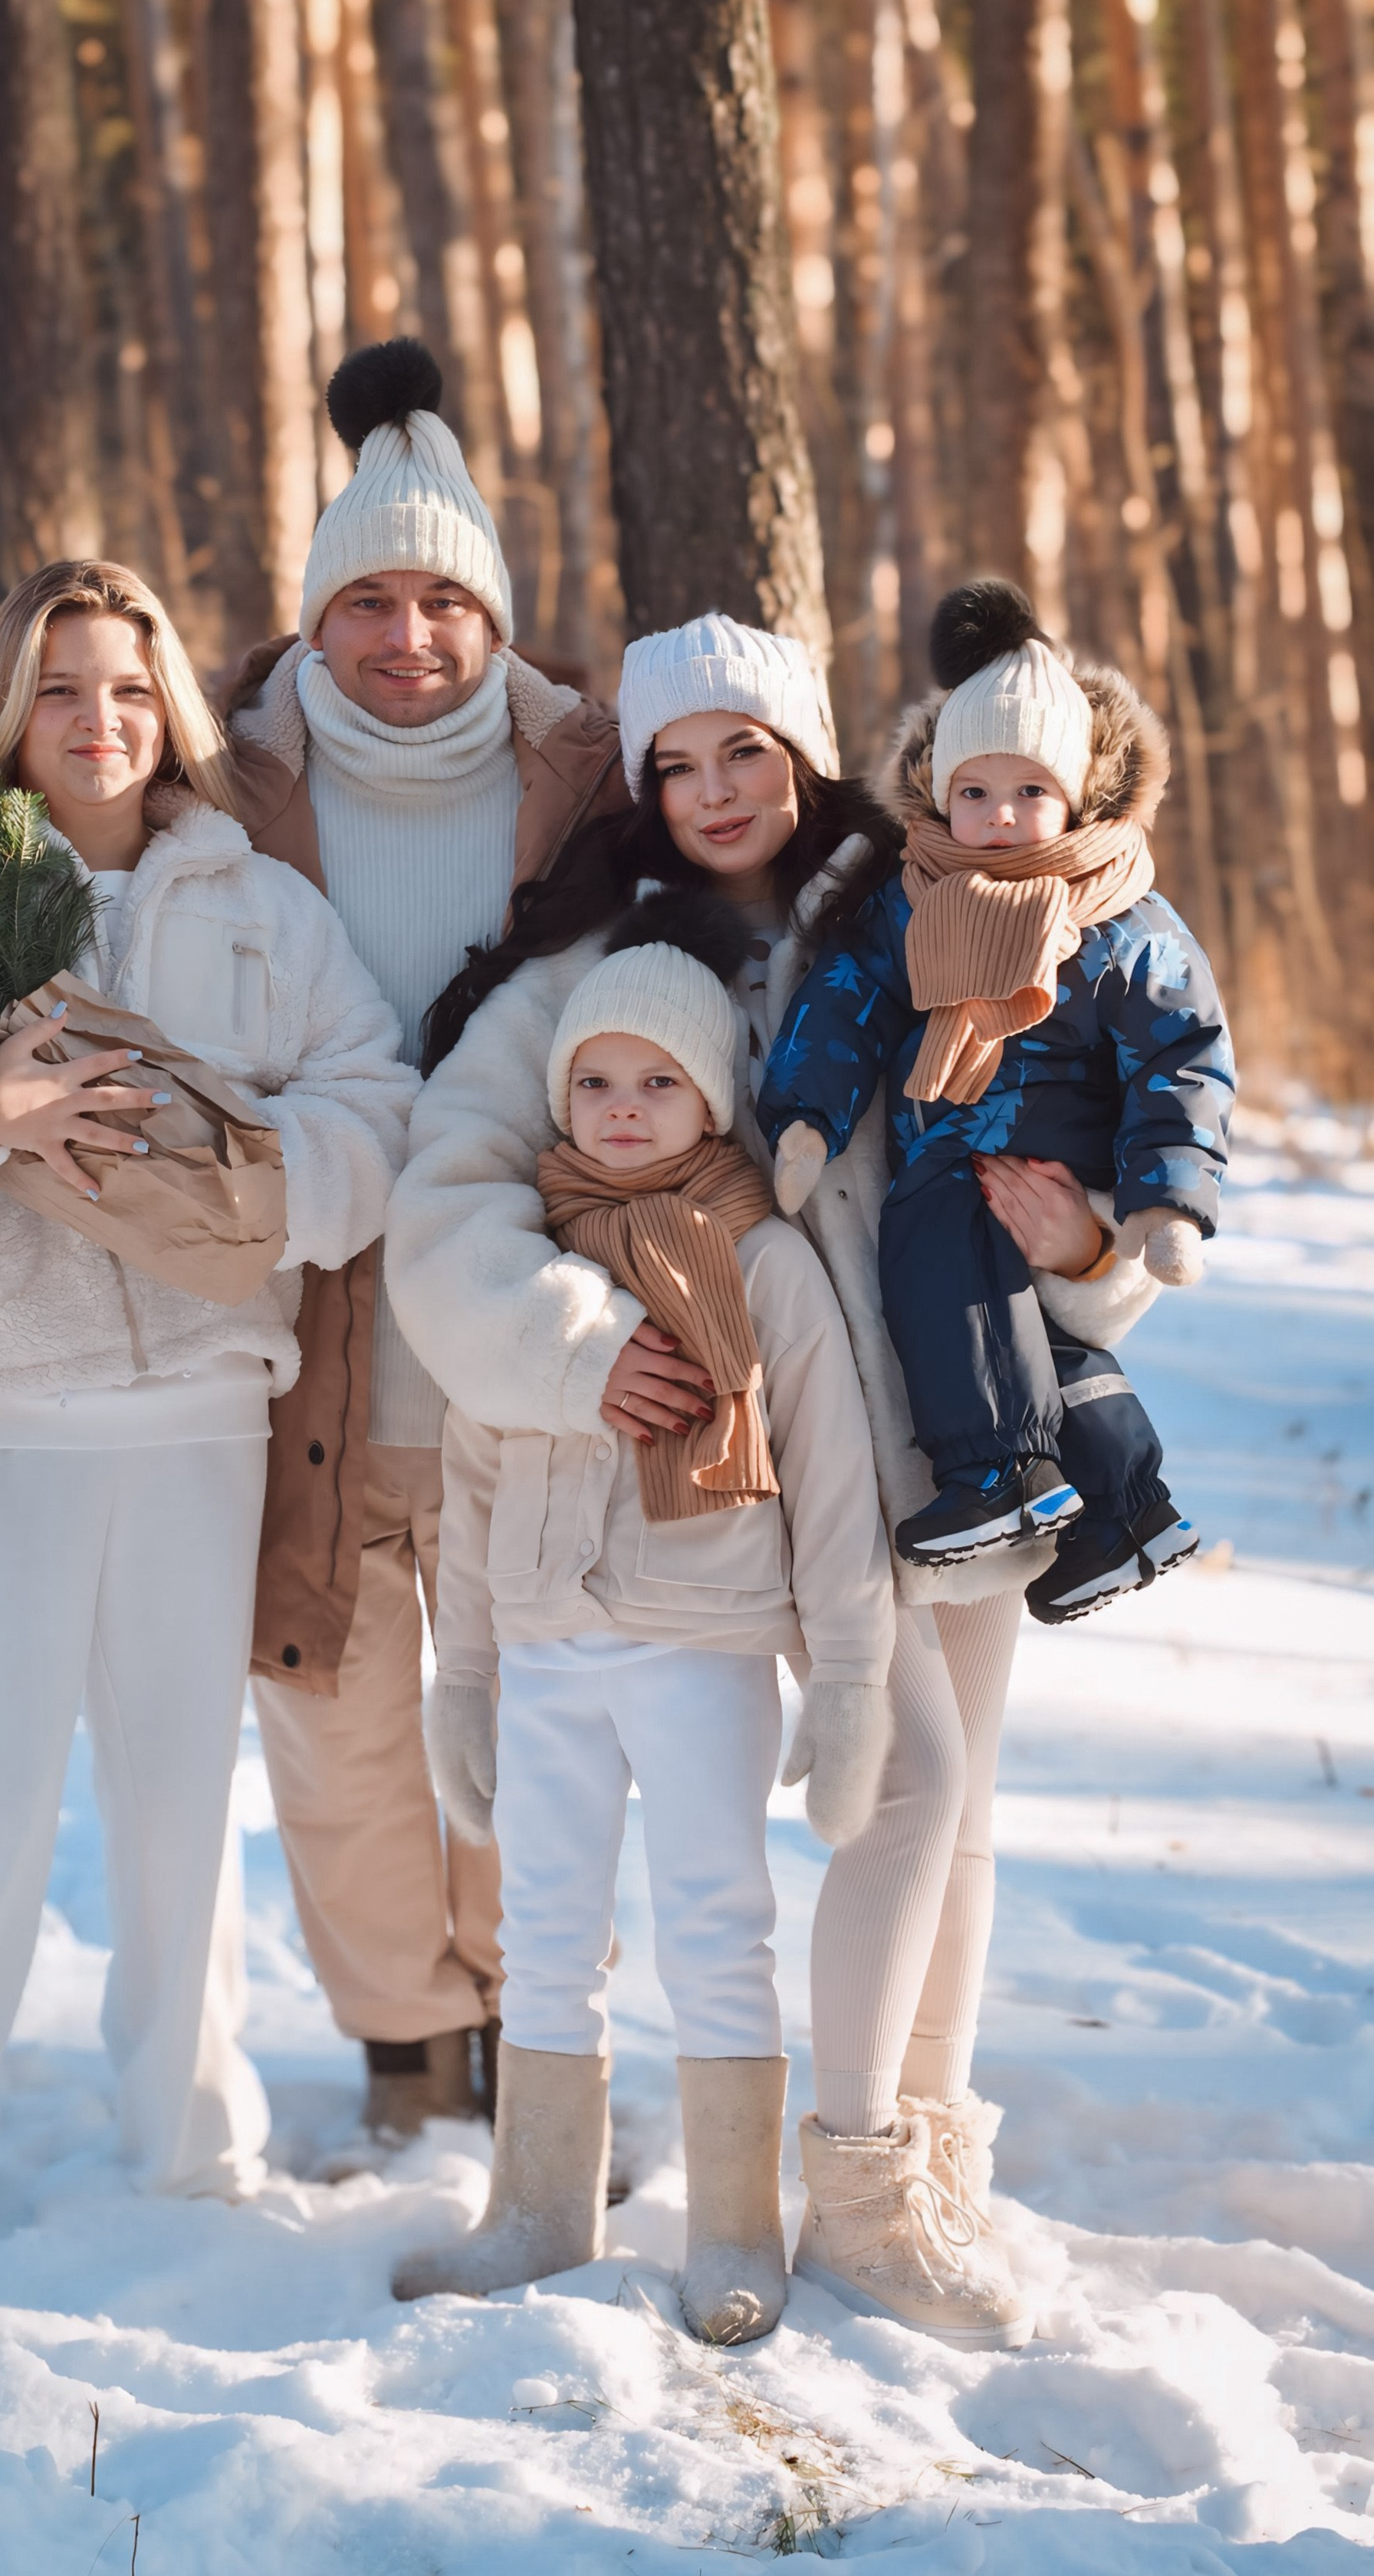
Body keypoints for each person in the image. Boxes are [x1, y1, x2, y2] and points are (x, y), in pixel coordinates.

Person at [386, 612, 1167, 2350]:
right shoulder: (573, 975)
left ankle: (914, 2165)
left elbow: (1069, 1121)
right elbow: (441, 1223)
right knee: (898, 1788)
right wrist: (583, 1348)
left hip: (938, 1439)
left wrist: (1098, 1249)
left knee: (940, 1812)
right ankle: (843, 2177)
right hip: (730, 1483)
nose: (715, 786)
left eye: (747, 748)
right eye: (677, 757)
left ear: (807, 757)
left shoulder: (926, 915)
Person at [0, 560, 415, 2284]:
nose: (98, 719)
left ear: (169, 703)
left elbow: (373, 1101)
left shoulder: (260, 902)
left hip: (199, 1399)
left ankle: (191, 2147)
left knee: (180, 1797)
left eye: (126, 685)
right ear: (6, 717)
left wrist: (269, 1192)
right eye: (59, 690)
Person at [223, 338, 629, 2144]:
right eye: (365, 600)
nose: (404, 637)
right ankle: (403, 2043)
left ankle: (531, 2020)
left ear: (493, 614)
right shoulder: (228, 796)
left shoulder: (589, 785)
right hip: (296, 1331)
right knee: (334, 1711)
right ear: (313, 616)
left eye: (441, 600)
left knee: (536, 1706)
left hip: (522, 1327)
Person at [391, 900, 895, 2344]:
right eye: (596, 1084)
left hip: (701, 1644)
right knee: (543, 1927)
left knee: (714, 1925)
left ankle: (734, 2225)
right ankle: (539, 2208)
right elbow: (477, 1484)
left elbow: (837, 1488)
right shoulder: (531, 1280)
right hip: (546, 1644)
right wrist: (464, 1676)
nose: (623, 1113)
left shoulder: (767, 1267)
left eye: (658, 1084)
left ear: (712, 1095)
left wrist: (850, 1676)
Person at [761, 580, 1233, 1624]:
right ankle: (1122, 1508)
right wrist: (806, 1118)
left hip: (1043, 1151)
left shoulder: (1119, 916)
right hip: (963, 1133)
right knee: (1035, 1348)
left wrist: (1164, 1200)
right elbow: (847, 1004)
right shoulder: (914, 898)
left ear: (1077, 797)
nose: (1001, 819)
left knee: (935, 1251)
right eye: (975, 793)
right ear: (938, 794)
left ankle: (995, 1475)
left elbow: (1183, 1054)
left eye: (1030, 793)